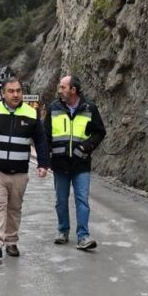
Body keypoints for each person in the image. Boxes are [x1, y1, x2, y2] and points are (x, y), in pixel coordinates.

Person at [0, 77, 50, 258]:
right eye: (11, 91)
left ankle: (12, 242)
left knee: (14, 208)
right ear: (3, 94)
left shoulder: (31, 113)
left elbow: (40, 140)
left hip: (19, 173)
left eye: (18, 91)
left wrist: (43, 163)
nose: (16, 94)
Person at [46, 75, 106, 250]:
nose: (60, 90)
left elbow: (100, 132)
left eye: (63, 87)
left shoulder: (90, 108)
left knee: (82, 200)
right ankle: (63, 231)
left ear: (73, 90)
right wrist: (46, 157)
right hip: (60, 163)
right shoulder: (53, 108)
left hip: (81, 164)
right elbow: (45, 135)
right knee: (61, 201)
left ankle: (83, 237)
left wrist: (87, 147)